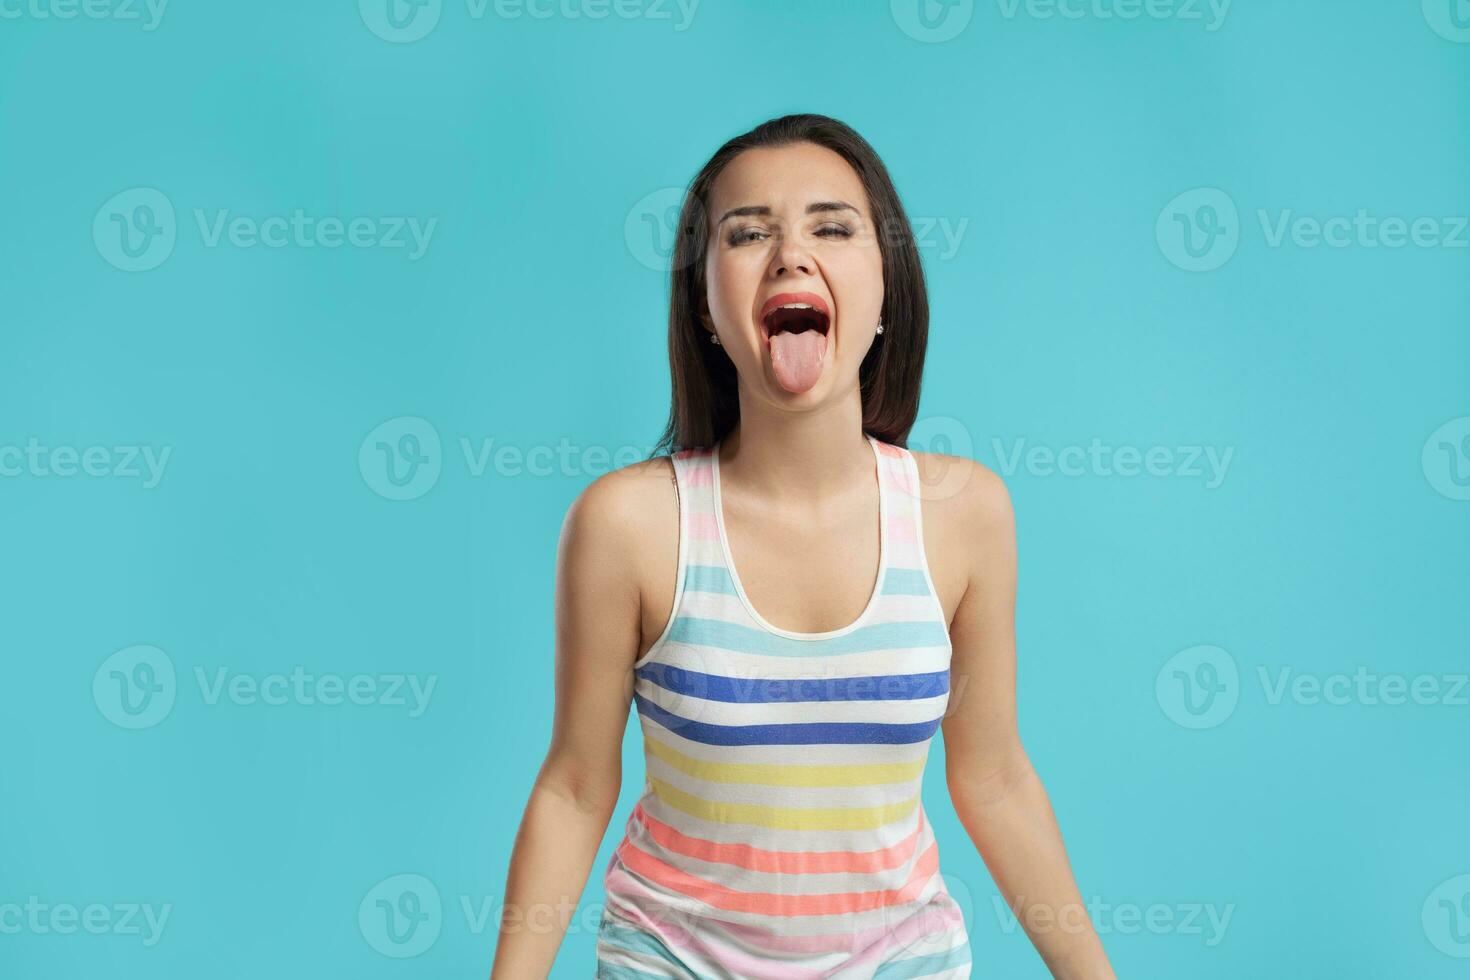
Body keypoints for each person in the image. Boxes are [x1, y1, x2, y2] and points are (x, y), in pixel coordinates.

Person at [491, 113, 1116, 979]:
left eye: (832, 226)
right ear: (706, 308)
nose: (790, 253)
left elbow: (996, 777)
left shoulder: (963, 514)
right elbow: (574, 787)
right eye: (748, 234)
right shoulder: (629, 525)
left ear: (886, 287)